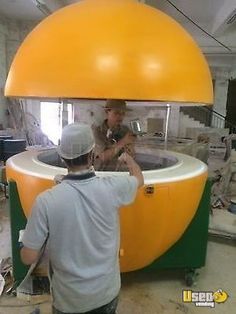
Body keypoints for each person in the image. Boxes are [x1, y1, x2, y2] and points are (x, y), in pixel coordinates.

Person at [21, 123, 144, 314]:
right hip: (106, 294)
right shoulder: (113, 188)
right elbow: (139, 179)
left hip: (70, 301)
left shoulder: (46, 201)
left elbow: (28, 257)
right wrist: (128, 159)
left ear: (62, 158)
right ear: (92, 154)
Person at [93, 99, 136, 170]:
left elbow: (132, 156)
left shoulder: (125, 130)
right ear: (107, 112)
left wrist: (131, 151)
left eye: (123, 113)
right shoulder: (97, 131)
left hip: (122, 174)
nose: (120, 116)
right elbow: (102, 158)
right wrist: (123, 142)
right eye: (116, 113)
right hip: (102, 174)